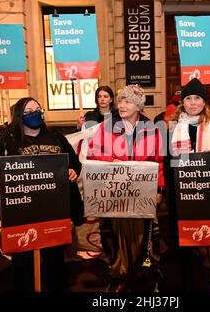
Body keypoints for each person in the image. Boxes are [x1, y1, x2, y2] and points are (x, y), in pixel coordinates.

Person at [0, 97, 83, 292]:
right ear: (19, 116)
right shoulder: (7, 140)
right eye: (29, 111)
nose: (36, 113)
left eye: (38, 109)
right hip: (21, 212)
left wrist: (73, 171)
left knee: (54, 260)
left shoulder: (55, 136)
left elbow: (73, 162)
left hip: (53, 211)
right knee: (23, 262)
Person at [87, 84, 165, 291]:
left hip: (143, 193)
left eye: (128, 101)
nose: (121, 105)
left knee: (145, 237)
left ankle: (147, 274)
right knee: (114, 236)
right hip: (114, 193)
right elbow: (92, 153)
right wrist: (110, 159)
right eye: (121, 100)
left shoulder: (152, 129)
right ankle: (118, 274)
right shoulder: (106, 127)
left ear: (138, 106)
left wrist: (160, 190)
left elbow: (160, 163)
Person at [166, 78, 210, 291]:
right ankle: (188, 281)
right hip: (184, 193)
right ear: (182, 102)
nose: (193, 102)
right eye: (188, 98)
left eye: (197, 98)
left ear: (204, 102)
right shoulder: (173, 127)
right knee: (186, 242)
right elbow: (168, 159)